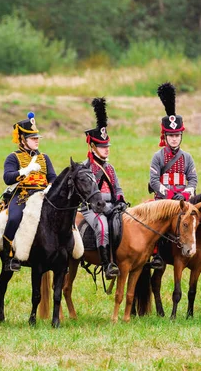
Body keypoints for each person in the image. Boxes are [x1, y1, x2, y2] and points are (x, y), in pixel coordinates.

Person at [148, 82, 201, 271]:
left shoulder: (187, 157)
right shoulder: (158, 157)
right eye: (171, 135)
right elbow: (154, 181)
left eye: (177, 135)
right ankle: (156, 254)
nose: (174, 139)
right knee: (156, 224)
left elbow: (193, 179)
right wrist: (169, 194)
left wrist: (185, 193)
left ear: (181, 136)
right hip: (164, 201)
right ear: (164, 136)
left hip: (184, 199)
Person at [2, 112, 57, 271]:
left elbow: (53, 176)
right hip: (23, 195)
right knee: (14, 218)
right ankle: (9, 256)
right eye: (33, 138)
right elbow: (7, 178)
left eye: (37, 138)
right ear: (22, 140)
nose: (37, 140)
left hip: (43, 195)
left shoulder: (44, 157)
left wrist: (49, 187)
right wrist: (25, 171)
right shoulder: (13, 157)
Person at [80, 98, 126, 280]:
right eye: (102, 146)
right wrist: (105, 208)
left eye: (107, 146)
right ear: (92, 146)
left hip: (112, 205)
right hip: (92, 208)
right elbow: (91, 199)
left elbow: (118, 188)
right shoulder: (86, 168)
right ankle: (107, 264)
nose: (106, 149)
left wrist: (120, 200)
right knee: (103, 227)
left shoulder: (110, 168)